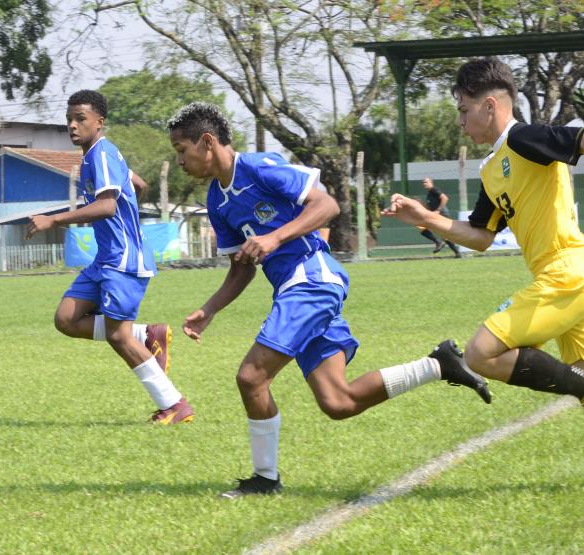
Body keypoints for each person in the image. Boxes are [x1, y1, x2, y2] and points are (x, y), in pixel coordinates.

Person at [166, 102, 490, 499]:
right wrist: (210, 308)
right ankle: (438, 364)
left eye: (181, 150)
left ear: (207, 142)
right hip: (297, 288)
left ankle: (264, 480)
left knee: (251, 377)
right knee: (338, 401)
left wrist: (275, 236)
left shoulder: (259, 167)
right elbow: (242, 265)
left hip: (311, 279)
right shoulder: (218, 200)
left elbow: (327, 206)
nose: (179, 160)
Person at [383, 57, 584, 404]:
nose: (460, 121)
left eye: (464, 110)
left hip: (566, 273)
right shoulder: (491, 167)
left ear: (489, 106)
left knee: (480, 353)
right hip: (560, 279)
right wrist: (425, 217)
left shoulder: (523, 138)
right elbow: (481, 237)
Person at [26, 90, 194, 425]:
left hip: (124, 261)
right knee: (66, 320)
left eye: (80, 119)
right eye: (69, 120)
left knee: (118, 336)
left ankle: (174, 405)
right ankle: (146, 335)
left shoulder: (102, 155)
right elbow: (140, 184)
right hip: (106, 259)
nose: (73, 126)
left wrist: (54, 219)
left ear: (99, 123)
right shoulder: (97, 156)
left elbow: (107, 205)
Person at [417, 177, 461, 258]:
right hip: (436, 216)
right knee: (444, 235)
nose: (424, 184)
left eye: (426, 182)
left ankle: (438, 242)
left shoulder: (434, 189)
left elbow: (445, 198)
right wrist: (421, 204)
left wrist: (438, 210)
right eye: (423, 183)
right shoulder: (429, 194)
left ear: (431, 182)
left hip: (442, 215)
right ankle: (457, 253)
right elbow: (428, 208)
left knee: (424, 228)